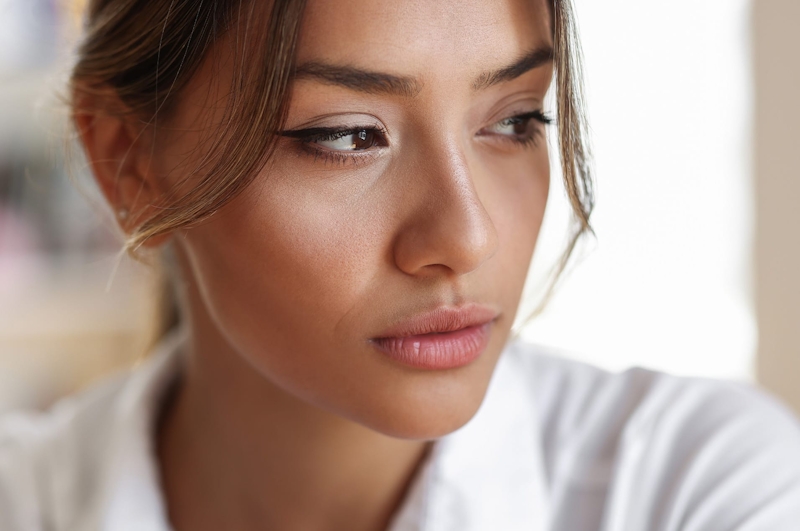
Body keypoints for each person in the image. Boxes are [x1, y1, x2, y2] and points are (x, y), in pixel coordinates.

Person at [2, 0, 799, 529]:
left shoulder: (701, 489)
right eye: (349, 135)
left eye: (517, 119)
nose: (466, 236)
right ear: (128, 162)